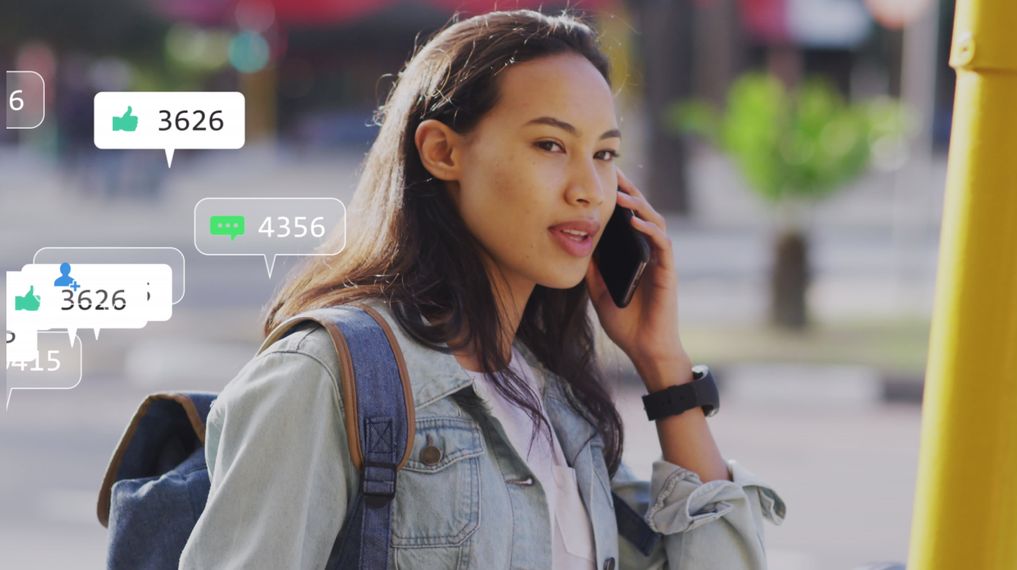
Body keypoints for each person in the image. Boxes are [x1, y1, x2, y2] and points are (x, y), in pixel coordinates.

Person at [179, 9, 786, 570]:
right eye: (550, 144)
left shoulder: (556, 403)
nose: (590, 191)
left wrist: (666, 369)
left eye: (605, 154)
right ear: (443, 152)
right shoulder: (324, 375)